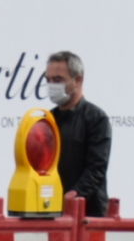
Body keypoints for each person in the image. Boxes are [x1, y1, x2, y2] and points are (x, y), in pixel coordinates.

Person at [41, 50, 108, 216]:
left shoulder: (96, 118)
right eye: (48, 80)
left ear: (77, 80)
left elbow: (96, 169)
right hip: (50, 209)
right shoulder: (47, 119)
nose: (51, 85)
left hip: (89, 213)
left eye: (58, 80)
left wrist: (72, 198)